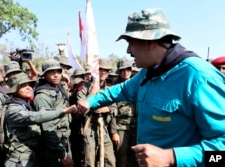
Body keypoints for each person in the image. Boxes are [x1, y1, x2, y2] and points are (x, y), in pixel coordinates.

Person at [77, 8, 225, 167]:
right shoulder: (148, 73)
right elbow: (120, 90)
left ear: (149, 42)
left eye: (131, 43)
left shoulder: (198, 78)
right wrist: (91, 101)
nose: (128, 51)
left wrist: (172, 157)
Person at [2, 72, 77, 167]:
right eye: (23, 86)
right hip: (20, 161)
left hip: (32, 158)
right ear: (15, 90)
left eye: (29, 85)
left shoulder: (26, 105)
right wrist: (63, 111)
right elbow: (36, 116)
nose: (29, 88)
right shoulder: (13, 110)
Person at [33, 59, 73, 167]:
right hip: (53, 148)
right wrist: (63, 154)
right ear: (44, 75)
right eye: (51, 72)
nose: (56, 75)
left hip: (64, 140)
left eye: (58, 72)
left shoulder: (59, 89)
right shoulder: (42, 96)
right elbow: (47, 128)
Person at [111, 60, 138, 167]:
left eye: (128, 70)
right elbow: (111, 112)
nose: (126, 72)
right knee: (121, 155)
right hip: (120, 126)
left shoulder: (136, 85)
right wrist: (114, 132)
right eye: (123, 70)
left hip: (135, 125)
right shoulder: (114, 88)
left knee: (135, 155)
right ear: (119, 72)